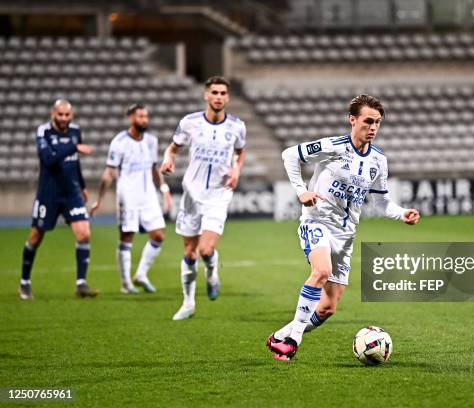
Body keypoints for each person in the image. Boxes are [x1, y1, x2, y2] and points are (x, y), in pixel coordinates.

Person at [267, 94, 420, 361]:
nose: (373, 127)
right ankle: (293, 341)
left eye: (378, 123)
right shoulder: (334, 146)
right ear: (353, 120)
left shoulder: (378, 161)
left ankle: (279, 337)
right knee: (322, 271)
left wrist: (402, 213)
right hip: (317, 221)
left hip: (346, 235)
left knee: (328, 308)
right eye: (368, 121)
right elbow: (289, 155)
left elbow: (381, 202)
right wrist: (302, 191)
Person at [160, 76, 246, 320]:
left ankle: (211, 272)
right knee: (189, 253)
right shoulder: (190, 122)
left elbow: (240, 153)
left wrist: (236, 170)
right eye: (214, 92)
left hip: (218, 194)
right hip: (192, 193)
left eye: (223, 93)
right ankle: (188, 303)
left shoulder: (237, 126)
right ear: (206, 95)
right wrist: (169, 159)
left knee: (206, 249)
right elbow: (173, 148)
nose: (218, 97)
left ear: (227, 98)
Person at [19, 99, 98, 300]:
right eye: (60, 114)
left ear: (71, 116)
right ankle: (25, 282)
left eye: (67, 115)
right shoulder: (43, 132)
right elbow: (48, 159)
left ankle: (81, 283)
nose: (64, 118)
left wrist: (82, 185)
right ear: (53, 113)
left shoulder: (75, 131)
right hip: (49, 194)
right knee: (36, 237)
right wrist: (74, 147)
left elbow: (75, 162)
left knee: (84, 234)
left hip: (71, 194)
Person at [90, 104, 172, 294]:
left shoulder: (151, 140)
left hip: (148, 195)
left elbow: (154, 167)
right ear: (131, 118)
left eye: (146, 116)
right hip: (128, 196)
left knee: (159, 235)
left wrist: (164, 189)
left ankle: (141, 274)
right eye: (141, 116)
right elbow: (109, 173)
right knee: (127, 238)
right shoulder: (119, 142)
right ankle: (126, 283)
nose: (144, 120)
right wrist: (99, 200)